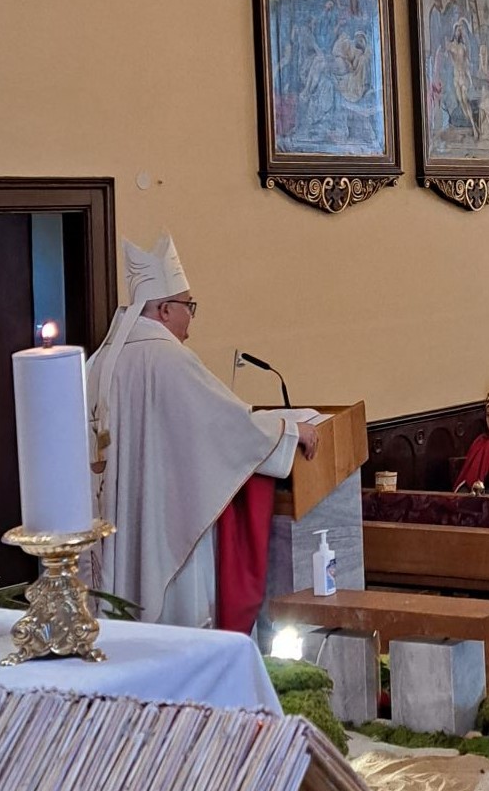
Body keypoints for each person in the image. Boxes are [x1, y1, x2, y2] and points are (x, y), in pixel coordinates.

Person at [86, 235, 319, 631]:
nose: (191, 321)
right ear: (165, 310)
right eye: (188, 307)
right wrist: (290, 432)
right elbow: (228, 426)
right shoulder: (170, 360)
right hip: (162, 526)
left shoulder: (100, 363)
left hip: (110, 526)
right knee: (175, 626)